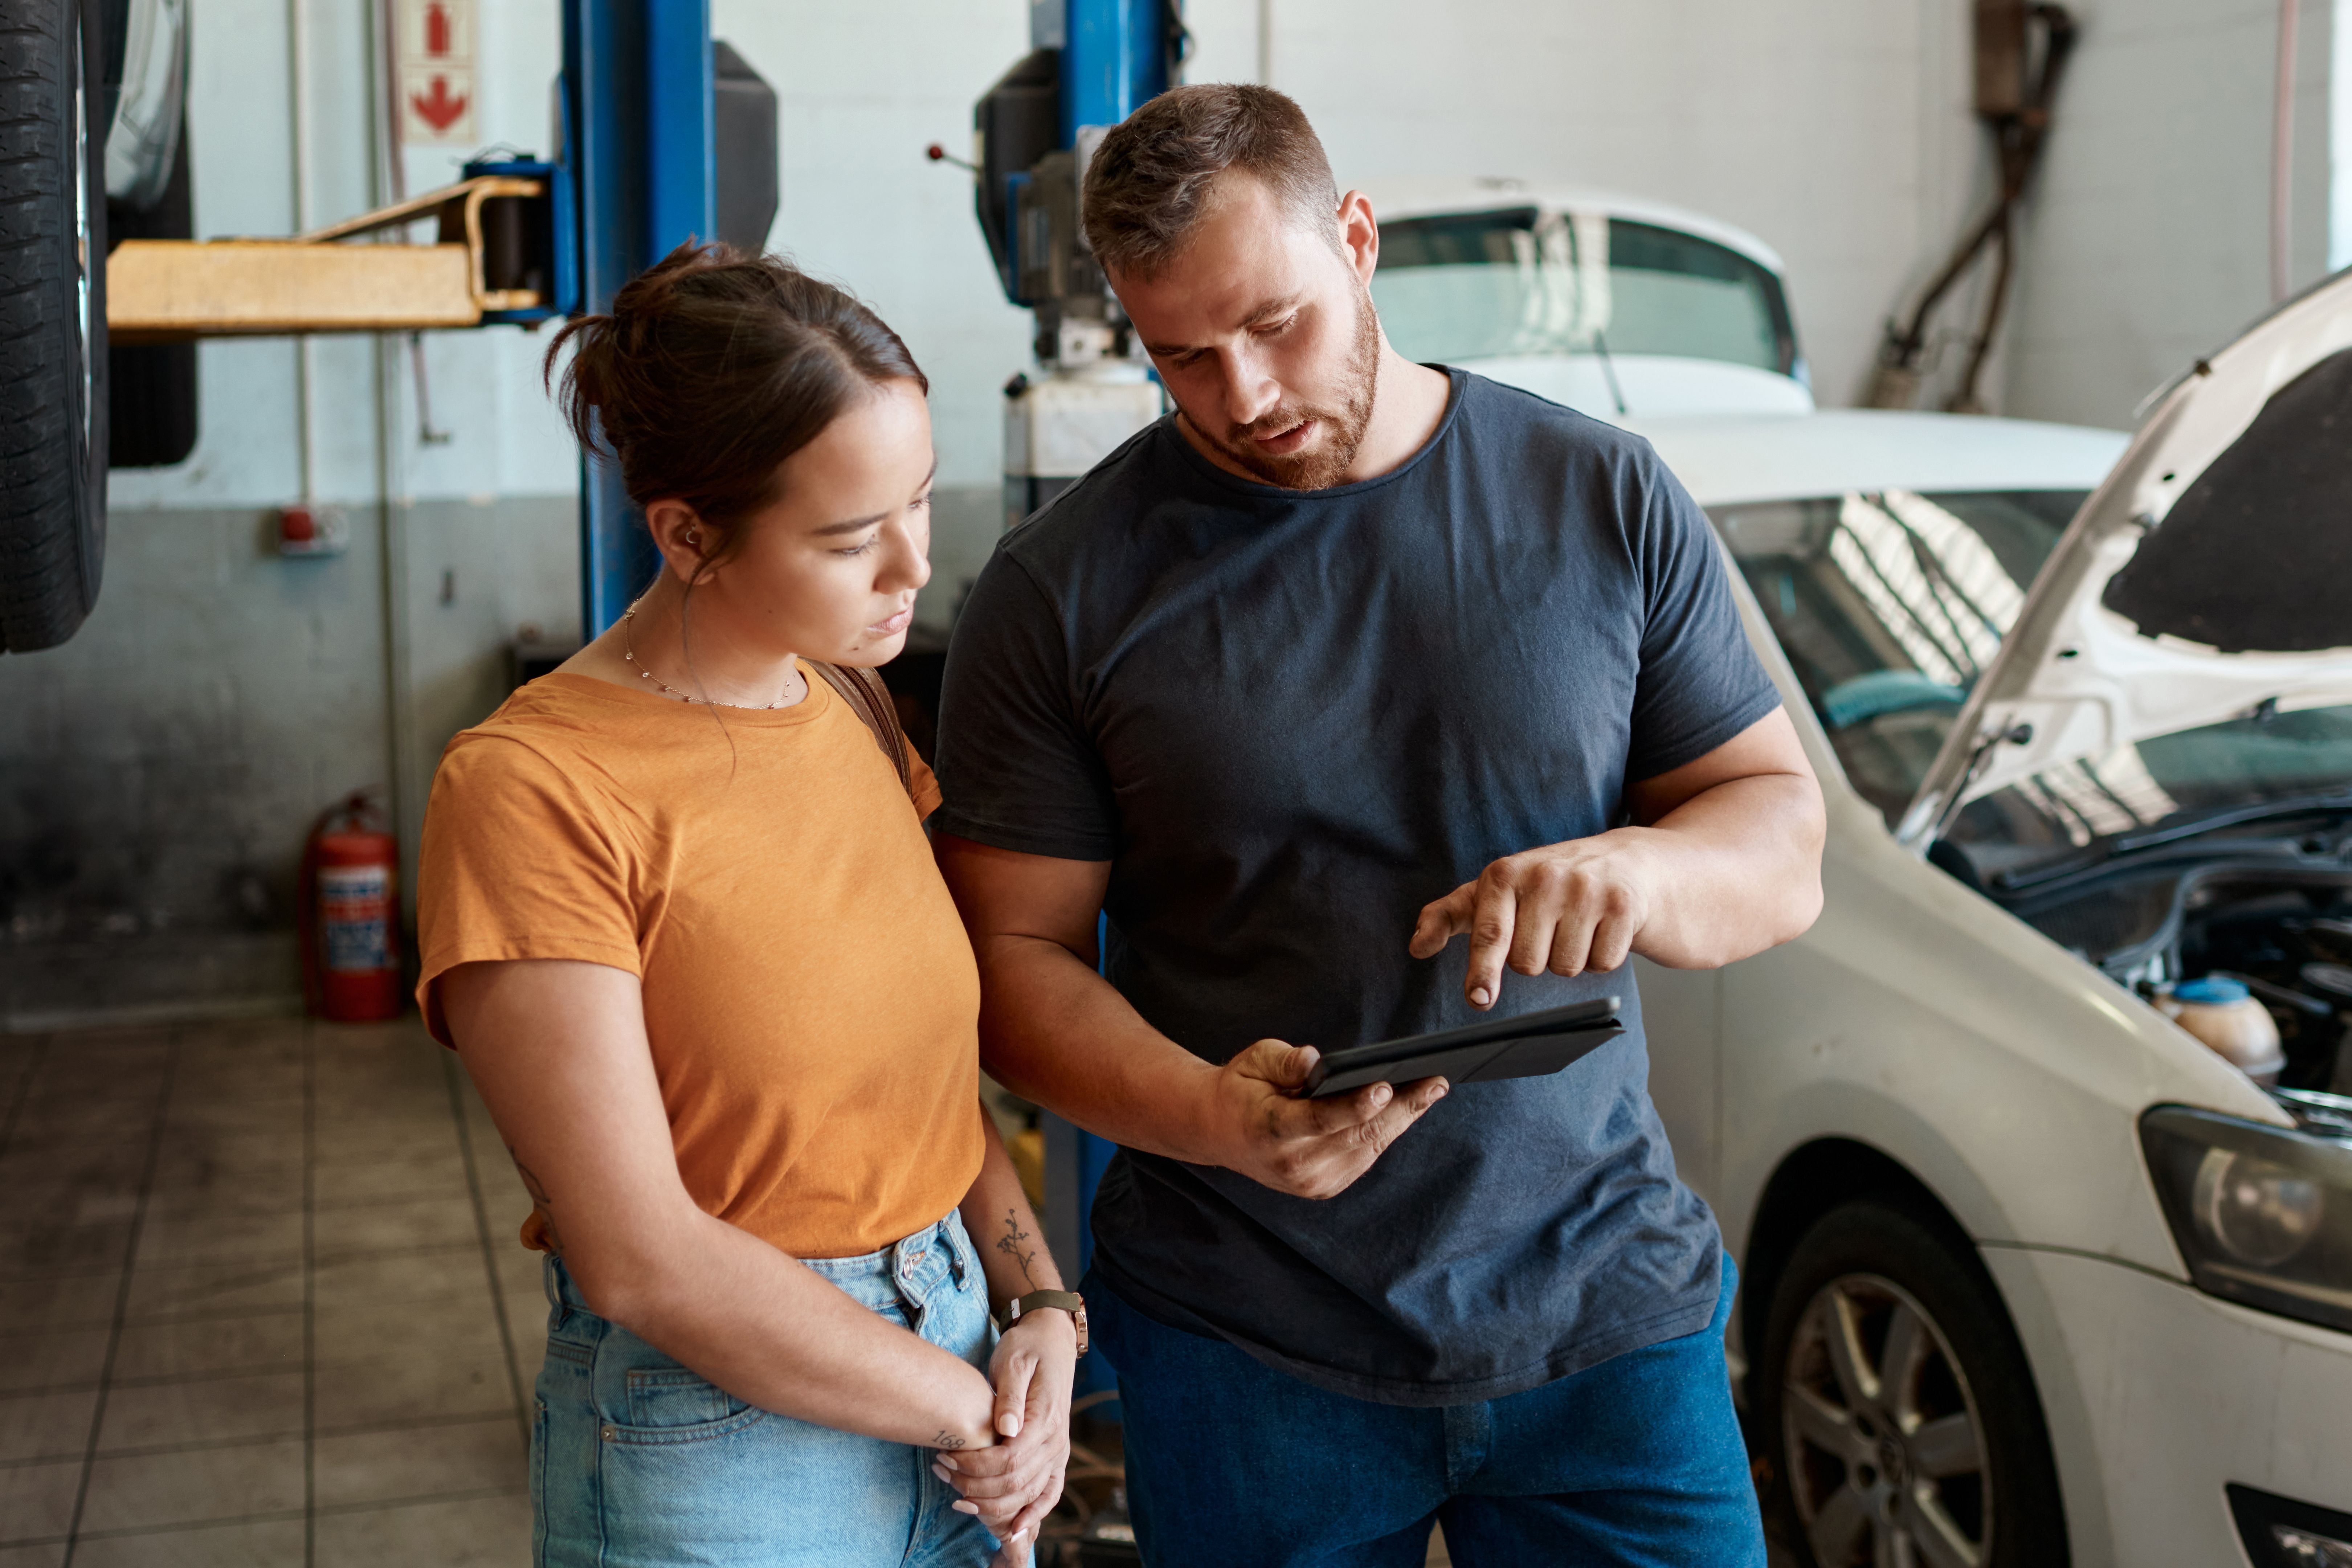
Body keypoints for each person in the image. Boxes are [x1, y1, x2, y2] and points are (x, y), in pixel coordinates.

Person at [931, 86, 1826, 1566]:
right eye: (1182, 359)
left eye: (1273, 324)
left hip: (1604, 1311)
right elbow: (1009, 967)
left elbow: (1779, 841)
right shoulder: (1060, 591)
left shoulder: (1599, 494)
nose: (1242, 395)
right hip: (1247, 1339)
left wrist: (1643, 867)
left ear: (1357, 239)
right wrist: (1218, 1118)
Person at [415, 245, 1075, 1568]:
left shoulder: (847, 700)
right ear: (686, 534)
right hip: (724, 1439)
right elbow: (642, 1257)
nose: (911, 567)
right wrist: (965, 1411)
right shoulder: (535, 789)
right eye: (848, 537)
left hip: (956, 1370)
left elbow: (927, 1093)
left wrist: (1037, 1303)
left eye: (922, 503)